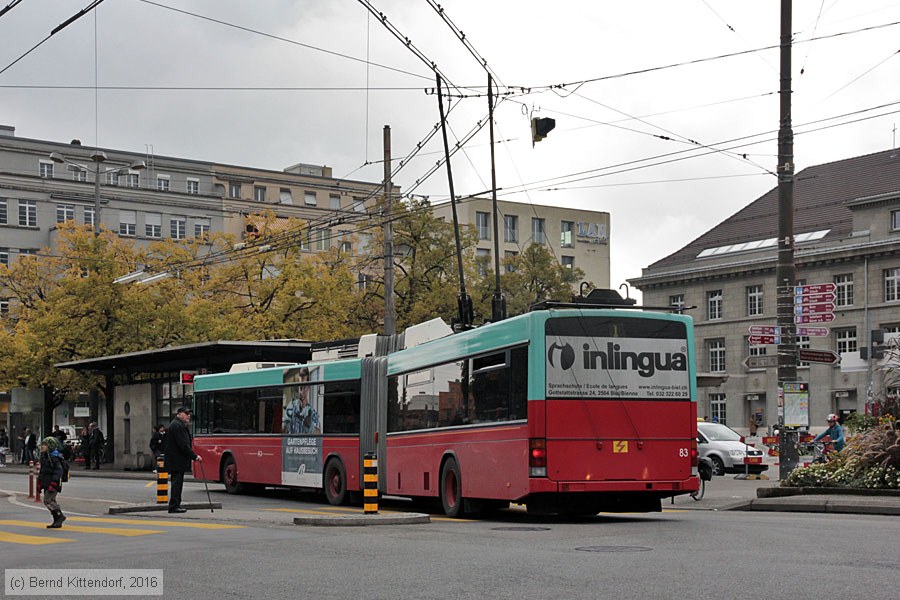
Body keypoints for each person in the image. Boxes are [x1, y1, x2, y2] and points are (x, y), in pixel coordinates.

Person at [163, 407, 201, 514]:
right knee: (177, 484)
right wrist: (194, 456)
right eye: (186, 413)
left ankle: (175, 504)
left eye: (189, 414)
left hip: (177, 460)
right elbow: (183, 445)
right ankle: (174, 506)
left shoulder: (178, 425)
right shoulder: (177, 426)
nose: (188, 415)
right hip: (177, 461)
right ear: (179, 414)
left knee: (177, 483)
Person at [37, 437, 66, 528]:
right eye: (42, 445)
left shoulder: (54, 458)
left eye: (44, 445)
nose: (42, 447)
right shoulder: (44, 457)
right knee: (50, 500)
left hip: (53, 483)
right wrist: (39, 482)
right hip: (47, 482)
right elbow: (42, 471)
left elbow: (58, 471)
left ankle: (59, 516)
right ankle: (56, 520)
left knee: (48, 500)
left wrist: (54, 483)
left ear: (50, 446)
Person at [283, 368, 321, 435]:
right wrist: (286, 423)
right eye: (300, 387)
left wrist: (310, 426)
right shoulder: (291, 407)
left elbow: (318, 436)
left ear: (308, 388)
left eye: (304, 387)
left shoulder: (312, 412)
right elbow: (283, 431)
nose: (302, 391)